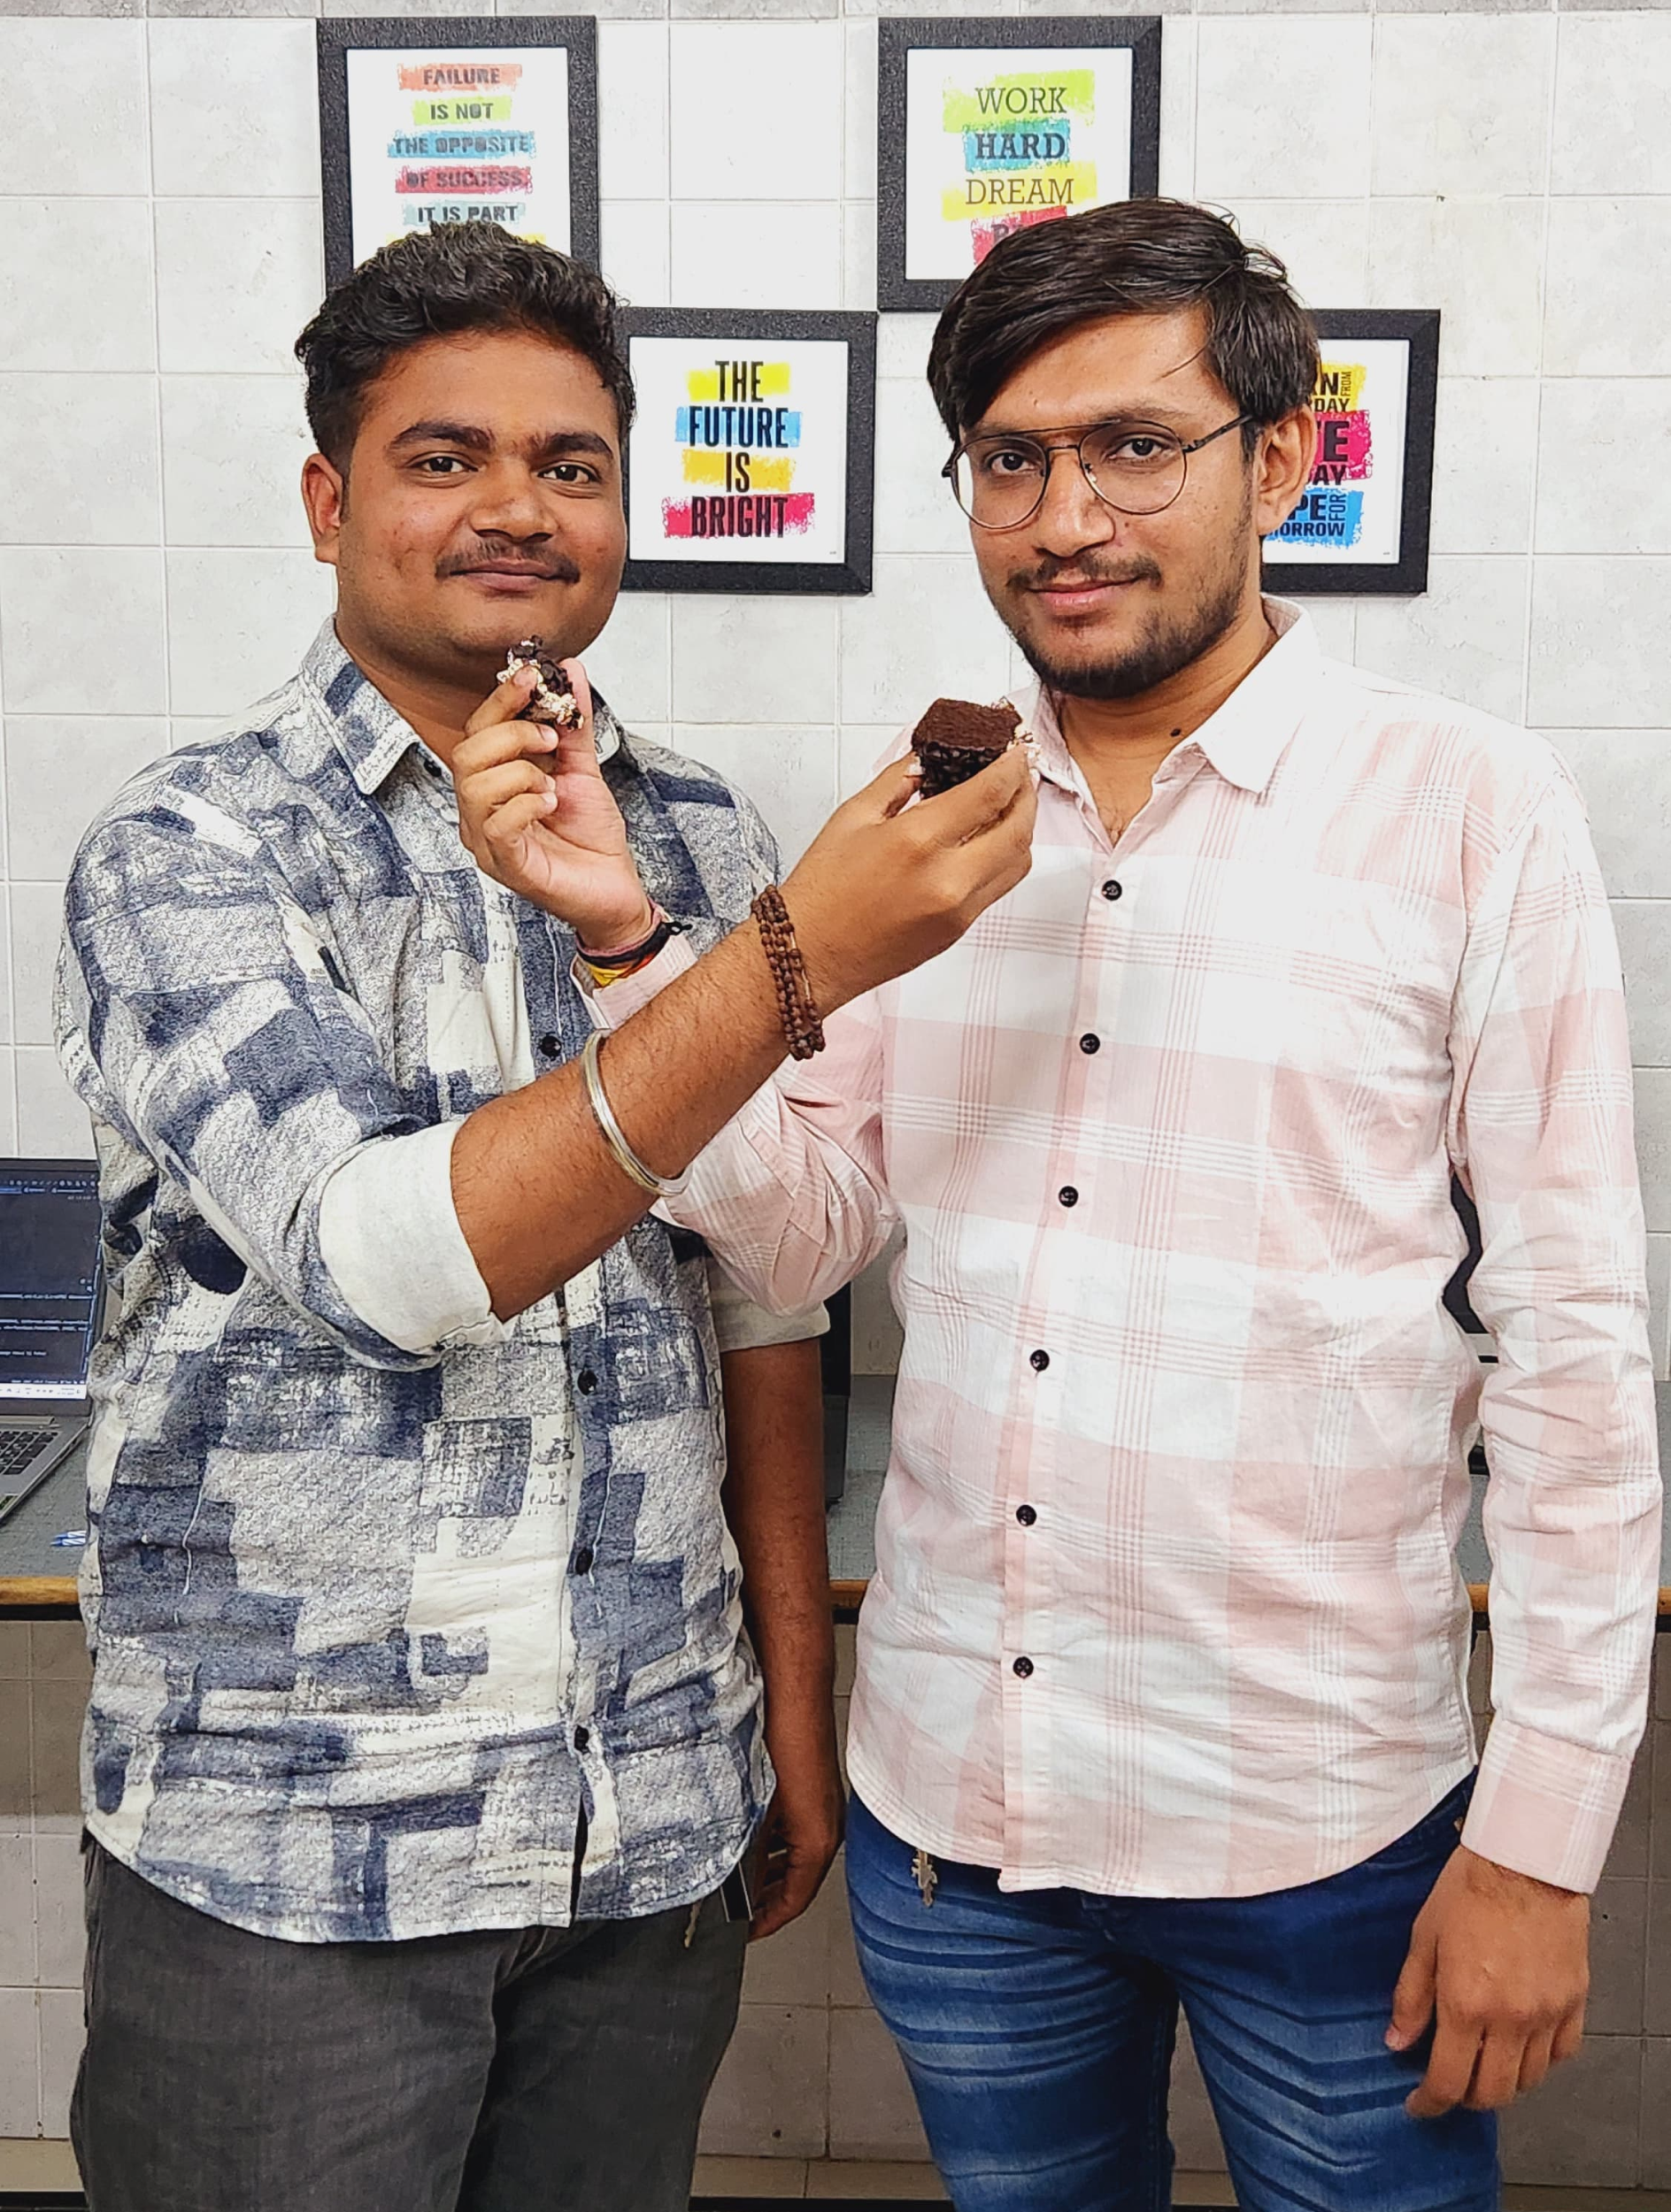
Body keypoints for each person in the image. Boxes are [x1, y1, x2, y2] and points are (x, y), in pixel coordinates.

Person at [455, 199, 1663, 2212]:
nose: (1065, 515)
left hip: (1323, 1825)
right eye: (1009, 461)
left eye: (1132, 446)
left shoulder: (1465, 813)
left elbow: (1574, 1353)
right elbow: (801, 1233)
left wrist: (1535, 1841)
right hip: (963, 1832)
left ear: (1276, 459)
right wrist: (627, 945)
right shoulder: (921, 833)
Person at [52, 221, 1033, 2212]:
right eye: (445, 457)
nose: (516, 506)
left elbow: (767, 1295)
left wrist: (781, 1689)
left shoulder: (694, 835)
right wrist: (785, 963)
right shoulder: (189, 849)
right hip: (295, 1851)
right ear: (330, 498)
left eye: (570, 465)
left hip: (643, 1819)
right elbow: (386, 1260)